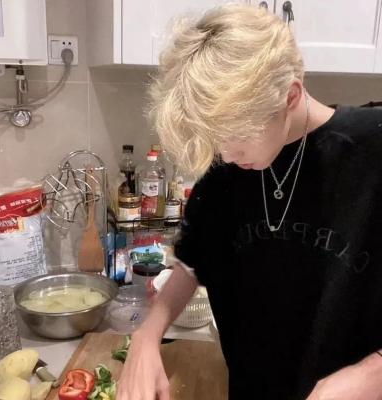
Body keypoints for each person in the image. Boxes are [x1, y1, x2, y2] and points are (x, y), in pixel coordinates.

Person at [117, 4, 382, 400]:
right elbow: (194, 260)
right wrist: (147, 334)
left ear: (290, 96)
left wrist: (373, 374)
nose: (225, 155)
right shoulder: (228, 168)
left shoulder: (373, 152)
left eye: (236, 139)